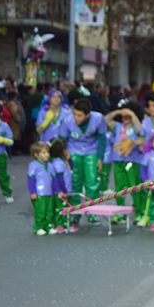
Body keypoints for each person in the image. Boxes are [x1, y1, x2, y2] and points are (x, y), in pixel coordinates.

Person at [59, 96, 107, 227]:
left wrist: (100, 158)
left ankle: (92, 213)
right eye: (75, 113)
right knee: (75, 182)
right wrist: (65, 155)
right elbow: (62, 139)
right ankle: (75, 212)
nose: (76, 117)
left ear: (87, 115)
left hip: (91, 151)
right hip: (73, 152)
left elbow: (102, 139)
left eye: (79, 115)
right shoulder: (67, 120)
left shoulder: (98, 118)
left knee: (92, 182)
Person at [104, 98, 147, 223]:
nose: (125, 118)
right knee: (119, 189)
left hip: (132, 161)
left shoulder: (137, 127)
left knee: (134, 187)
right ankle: (120, 214)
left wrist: (132, 114)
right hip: (117, 161)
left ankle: (140, 212)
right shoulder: (117, 127)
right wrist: (118, 111)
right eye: (124, 116)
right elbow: (106, 119)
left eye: (128, 116)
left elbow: (141, 132)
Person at [27, 141, 57, 236]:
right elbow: (31, 179)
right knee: (40, 211)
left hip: (49, 192)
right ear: (36, 155)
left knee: (49, 211)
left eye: (47, 152)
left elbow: (54, 179)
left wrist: (56, 190)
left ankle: (48, 226)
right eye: (44, 153)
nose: (47, 155)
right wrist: (33, 192)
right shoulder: (33, 165)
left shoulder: (50, 165)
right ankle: (38, 227)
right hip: (40, 193)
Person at [49, 138, 73, 233]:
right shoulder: (57, 163)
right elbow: (60, 179)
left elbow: (71, 167)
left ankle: (66, 223)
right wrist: (63, 191)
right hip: (62, 191)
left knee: (67, 207)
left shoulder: (62, 160)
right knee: (60, 207)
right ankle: (59, 225)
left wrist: (69, 159)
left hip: (67, 189)